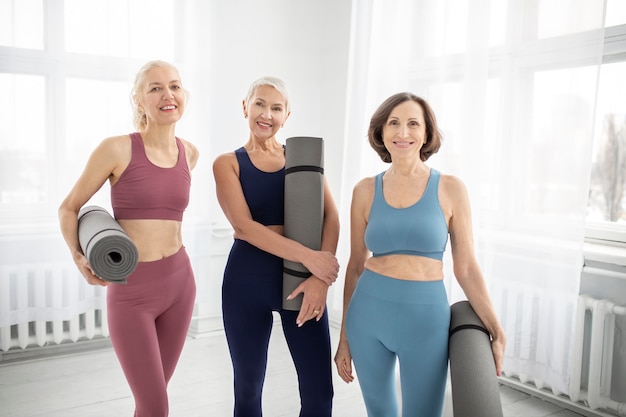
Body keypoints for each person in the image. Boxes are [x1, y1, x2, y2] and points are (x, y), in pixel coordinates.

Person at [333, 92, 506, 416]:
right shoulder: (364, 190)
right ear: (381, 132)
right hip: (367, 316)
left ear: (427, 133)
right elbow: (356, 264)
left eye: (413, 124)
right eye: (394, 123)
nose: (402, 133)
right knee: (380, 413)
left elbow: (466, 268)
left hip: (425, 321)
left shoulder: (451, 188)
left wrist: (496, 329)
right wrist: (344, 338)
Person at [58, 60, 199, 417]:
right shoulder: (116, 149)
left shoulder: (190, 153)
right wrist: (79, 257)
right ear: (138, 99)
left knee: (151, 403)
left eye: (175, 86)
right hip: (132, 292)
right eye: (155, 88)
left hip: (181, 285)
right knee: (155, 406)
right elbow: (69, 207)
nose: (168, 95)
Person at [212, 76, 340, 417]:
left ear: (287, 116)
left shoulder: (302, 158)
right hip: (246, 282)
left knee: (319, 393)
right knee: (248, 390)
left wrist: (319, 279)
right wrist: (312, 258)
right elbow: (245, 228)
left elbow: (332, 218)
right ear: (245, 107)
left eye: (276, 107)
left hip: (302, 281)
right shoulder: (227, 163)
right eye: (259, 104)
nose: (266, 113)